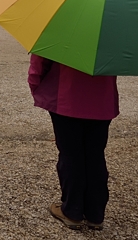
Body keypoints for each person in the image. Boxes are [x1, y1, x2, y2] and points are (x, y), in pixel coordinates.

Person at [27, 53, 119, 230]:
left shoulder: (60, 26)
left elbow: (40, 60)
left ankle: (72, 211)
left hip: (67, 97)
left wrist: (36, 85)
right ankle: (95, 213)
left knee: (71, 153)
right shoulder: (114, 30)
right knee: (95, 154)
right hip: (102, 98)